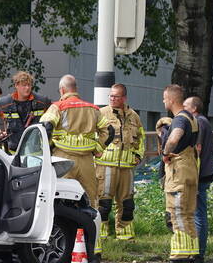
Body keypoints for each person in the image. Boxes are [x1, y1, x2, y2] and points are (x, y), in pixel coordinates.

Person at [39, 74, 113, 205]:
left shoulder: (57, 107)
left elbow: (45, 126)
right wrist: (98, 149)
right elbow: (109, 131)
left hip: (63, 159)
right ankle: (90, 224)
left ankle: (64, 225)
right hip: (87, 160)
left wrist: (49, 148)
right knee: (90, 198)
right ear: (75, 89)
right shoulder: (93, 109)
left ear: (62, 90)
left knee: (61, 199)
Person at [158, 85, 200, 263]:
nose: (164, 102)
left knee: (177, 213)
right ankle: (193, 255)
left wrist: (166, 152)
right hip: (190, 169)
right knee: (189, 214)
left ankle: (180, 257)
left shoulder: (179, 120)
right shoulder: (192, 118)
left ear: (172, 100)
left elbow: (174, 138)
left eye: (165, 99)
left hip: (178, 171)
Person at [95, 84, 144, 240]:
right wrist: (97, 151)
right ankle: (101, 236)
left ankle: (125, 236)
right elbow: (93, 135)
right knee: (104, 202)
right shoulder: (101, 113)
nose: (112, 99)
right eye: (111, 95)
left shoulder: (134, 116)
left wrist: (138, 155)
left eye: (116, 96)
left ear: (124, 98)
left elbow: (141, 138)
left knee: (127, 204)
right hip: (105, 165)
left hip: (127, 166)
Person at [184, 96, 213, 263]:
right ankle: (198, 252)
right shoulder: (203, 122)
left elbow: (197, 152)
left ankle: (198, 254)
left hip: (199, 175)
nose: (183, 108)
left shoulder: (199, 123)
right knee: (198, 213)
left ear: (194, 108)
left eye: (185, 106)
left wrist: (193, 178)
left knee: (197, 214)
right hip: (203, 173)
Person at [0, 71, 51, 153]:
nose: (27, 88)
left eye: (29, 85)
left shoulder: (41, 101)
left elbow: (53, 114)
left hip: (35, 152)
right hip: (11, 152)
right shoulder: (4, 103)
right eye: (24, 85)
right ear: (16, 85)